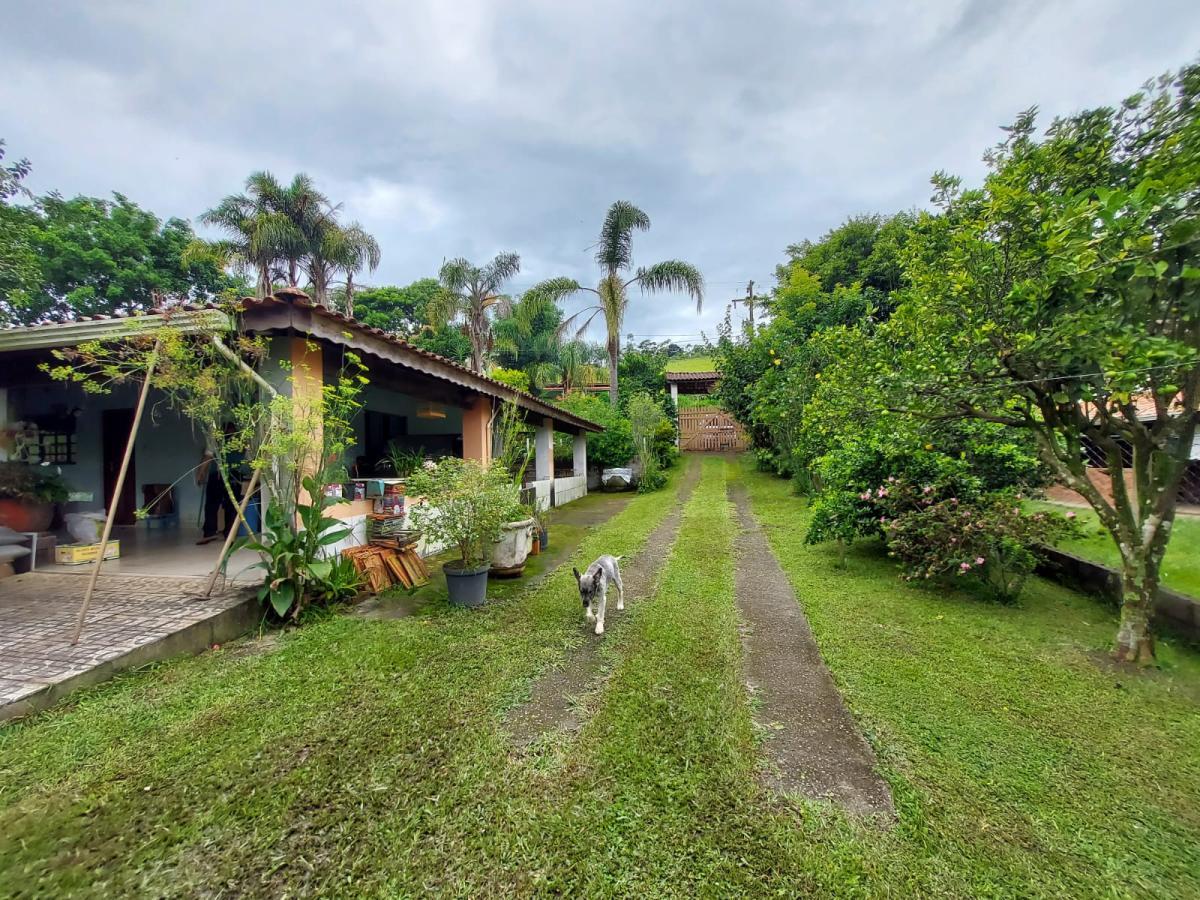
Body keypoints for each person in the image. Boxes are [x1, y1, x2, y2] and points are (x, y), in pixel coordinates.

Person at [196, 431, 245, 545]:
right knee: (226, 506)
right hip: (227, 475)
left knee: (216, 505)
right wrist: (201, 473)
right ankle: (222, 534)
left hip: (227, 475)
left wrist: (200, 473)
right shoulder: (237, 439)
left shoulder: (218, 438)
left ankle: (217, 533)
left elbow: (208, 457)